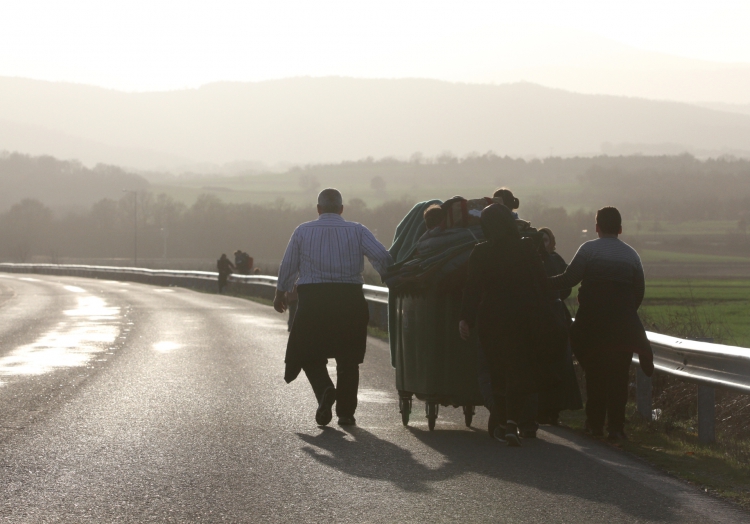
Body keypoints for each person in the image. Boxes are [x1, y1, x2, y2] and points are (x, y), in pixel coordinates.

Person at [274, 188, 393, 427]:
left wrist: (281, 293)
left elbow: (288, 264)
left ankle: (325, 389)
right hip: (349, 299)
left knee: (307, 352)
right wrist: (388, 275)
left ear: (318, 209)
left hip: (313, 300)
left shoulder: (302, 230)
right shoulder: (358, 230)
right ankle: (346, 414)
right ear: (341, 208)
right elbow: (382, 256)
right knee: (348, 359)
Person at [459, 204, 564, 446]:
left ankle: (501, 420)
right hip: (523, 317)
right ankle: (512, 423)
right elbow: (540, 281)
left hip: (491, 318)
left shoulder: (480, 252)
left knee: (497, 370)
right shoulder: (526, 247)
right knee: (518, 369)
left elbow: (472, 290)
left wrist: (465, 318)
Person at [548, 207, 654, 441]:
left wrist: (539, 282)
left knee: (595, 375)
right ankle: (616, 428)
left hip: (592, 326)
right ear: (620, 229)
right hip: (624, 328)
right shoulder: (631, 255)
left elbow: (568, 279)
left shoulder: (589, 250)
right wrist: (623, 313)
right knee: (619, 377)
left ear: (597, 227)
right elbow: (639, 291)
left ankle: (594, 425)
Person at [536, 227, 583, 425]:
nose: (544, 243)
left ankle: (554, 408)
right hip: (539, 314)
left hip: (555, 314)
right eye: (541, 240)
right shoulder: (533, 261)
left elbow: (566, 287)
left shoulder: (556, 260)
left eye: (546, 240)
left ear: (551, 242)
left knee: (558, 362)